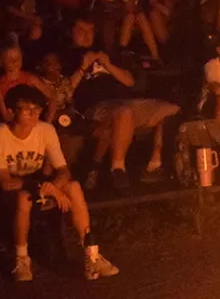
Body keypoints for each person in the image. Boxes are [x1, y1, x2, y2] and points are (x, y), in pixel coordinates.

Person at [0, 84, 117, 282]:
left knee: (73, 186)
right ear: (12, 111)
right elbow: (5, 182)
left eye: (37, 109)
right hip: (9, 193)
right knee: (24, 198)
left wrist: (54, 186)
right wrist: (44, 188)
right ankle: (22, 259)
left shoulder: (45, 130)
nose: (34, 114)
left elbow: (63, 170)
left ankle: (91, 255)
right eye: (27, 109)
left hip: (40, 184)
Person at [64, 16, 179, 190]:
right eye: (81, 31)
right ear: (71, 32)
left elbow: (130, 82)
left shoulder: (107, 53)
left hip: (127, 102)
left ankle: (154, 163)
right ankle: (118, 168)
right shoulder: (68, 57)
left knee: (171, 109)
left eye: (89, 31)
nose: (86, 36)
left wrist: (108, 65)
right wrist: (83, 66)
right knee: (124, 112)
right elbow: (65, 90)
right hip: (96, 107)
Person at [0, 44, 54, 123]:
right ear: (1, 62)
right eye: (10, 59)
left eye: (18, 58)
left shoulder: (30, 78)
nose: (15, 61)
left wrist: (48, 120)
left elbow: (52, 97)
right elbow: (5, 115)